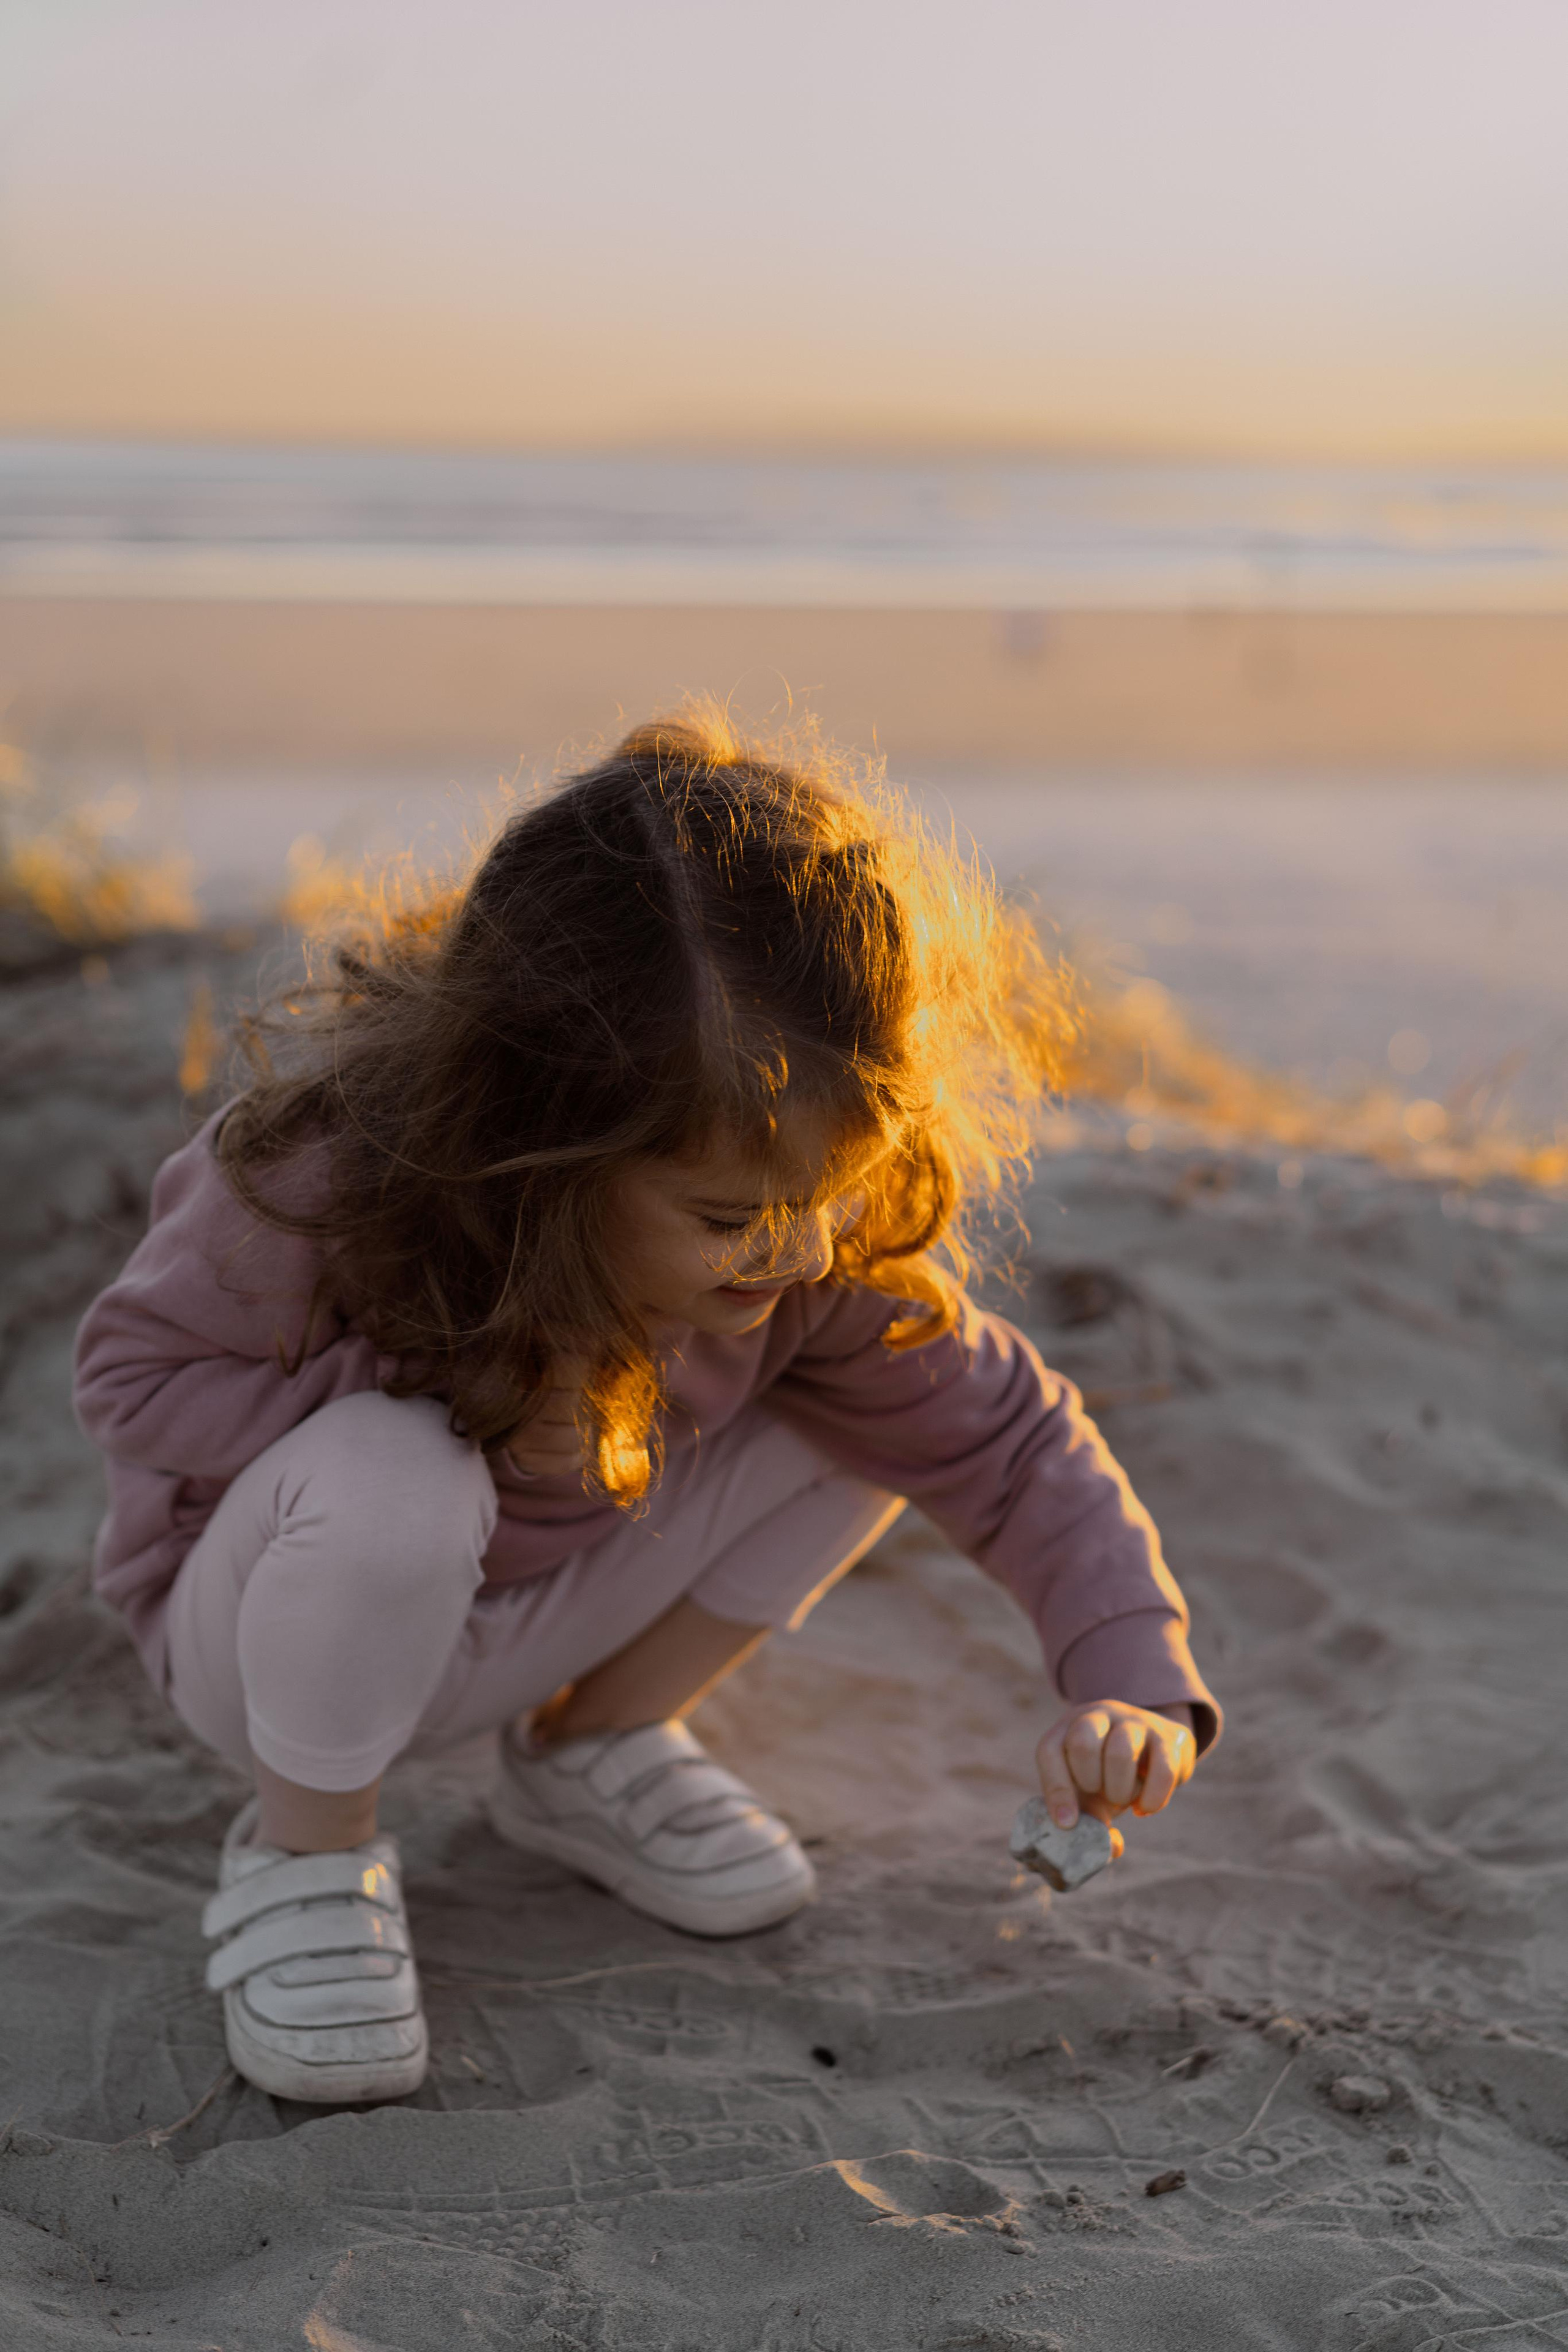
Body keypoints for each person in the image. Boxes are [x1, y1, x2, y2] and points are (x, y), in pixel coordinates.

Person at [74, 710, 1219, 2107]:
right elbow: (132, 1383)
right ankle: (307, 1858)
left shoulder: (811, 1252)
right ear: (538, 1139)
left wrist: (1127, 1677)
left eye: (822, 1195)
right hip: (270, 1651)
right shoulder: (323, 1186)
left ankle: (585, 1747)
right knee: (395, 1475)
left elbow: (1006, 1437)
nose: (794, 1249)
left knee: (861, 1426)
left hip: (532, 1614)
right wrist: (469, 1402)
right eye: (731, 1212)